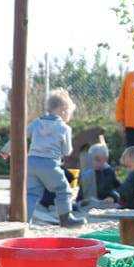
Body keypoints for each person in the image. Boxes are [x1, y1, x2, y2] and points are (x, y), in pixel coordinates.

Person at [24, 89, 84, 226]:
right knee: (63, 189)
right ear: (63, 110)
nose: (69, 116)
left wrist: (6, 150)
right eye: (69, 113)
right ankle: (65, 219)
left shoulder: (36, 122)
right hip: (49, 163)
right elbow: (67, 151)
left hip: (31, 162)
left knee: (31, 194)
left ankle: (24, 221)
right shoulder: (64, 128)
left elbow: (21, 135)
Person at [81, 142, 120, 209]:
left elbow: (118, 189)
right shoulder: (87, 174)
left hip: (105, 204)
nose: (95, 163)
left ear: (105, 159)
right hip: (90, 206)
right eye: (92, 159)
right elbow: (80, 196)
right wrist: (84, 201)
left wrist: (112, 197)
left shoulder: (109, 172)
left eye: (98, 160)